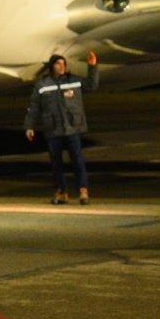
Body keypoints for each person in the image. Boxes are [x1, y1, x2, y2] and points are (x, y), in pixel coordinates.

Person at [23, 51, 101, 204]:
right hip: (53, 129)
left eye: (63, 64)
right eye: (58, 64)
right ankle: (61, 191)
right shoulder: (42, 85)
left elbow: (92, 85)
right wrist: (29, 126)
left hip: (72, 128)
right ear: (52, 66)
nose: (62, 66)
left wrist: (92, 67)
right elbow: (34, 108)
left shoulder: (73, 81)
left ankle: (83, 190)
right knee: (56, 163)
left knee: (77, 160)